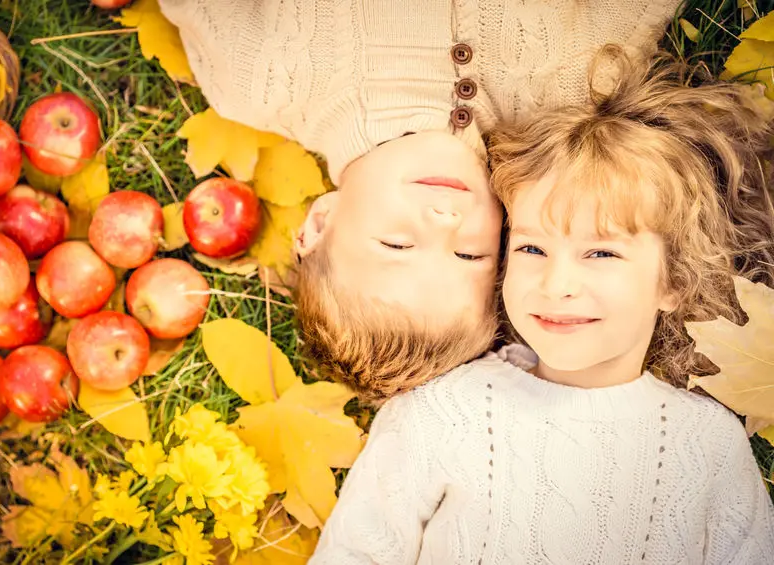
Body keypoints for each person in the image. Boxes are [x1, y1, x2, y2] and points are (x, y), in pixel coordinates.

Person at [307, 47, 774, 564]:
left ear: (674, 282)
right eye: (532, 248)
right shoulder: (440, 412)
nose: (557, 284)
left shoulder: (708, 445)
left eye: (601, 252)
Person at [158, 0, 684, 402]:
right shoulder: (578, 84)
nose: (445, 220)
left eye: (397, 242)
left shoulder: (258, 80)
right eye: (470, 255)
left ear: (320, 221)